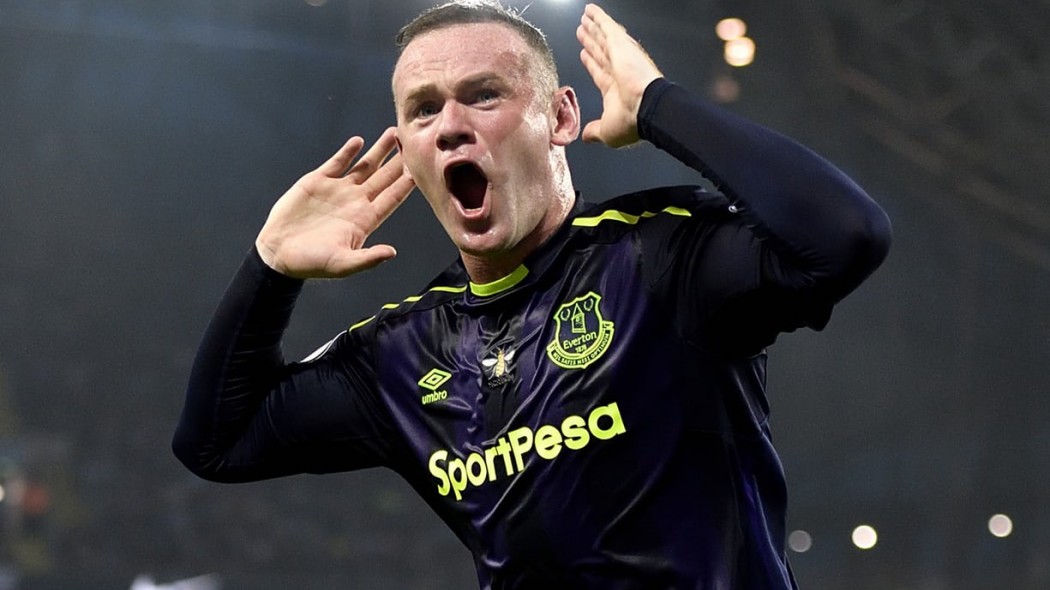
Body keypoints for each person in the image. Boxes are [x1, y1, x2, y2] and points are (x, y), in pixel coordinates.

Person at [173, 1, 891, 588]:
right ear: (411, 154)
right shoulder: (402, 354)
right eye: (423, 109)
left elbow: (845, 236)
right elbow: (216, 442)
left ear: (562, 118)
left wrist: (657, 105)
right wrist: (271, 269)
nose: (450, 126)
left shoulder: (663, 259)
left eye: (483, 94)